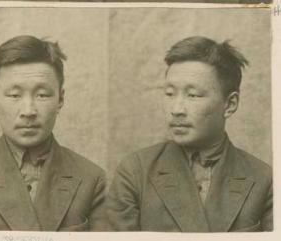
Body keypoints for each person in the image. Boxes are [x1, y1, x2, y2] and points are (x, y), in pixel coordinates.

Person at [0, 35, 106, 231]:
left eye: (42, 95)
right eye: (15, 95)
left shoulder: (92, 179)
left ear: (60, 99)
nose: (29, 111)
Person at [105, 36, 272, 232]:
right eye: (169, 93)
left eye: (192, 95)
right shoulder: (136, 172)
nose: (176, 109)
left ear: (230, 104)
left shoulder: (264, 179)